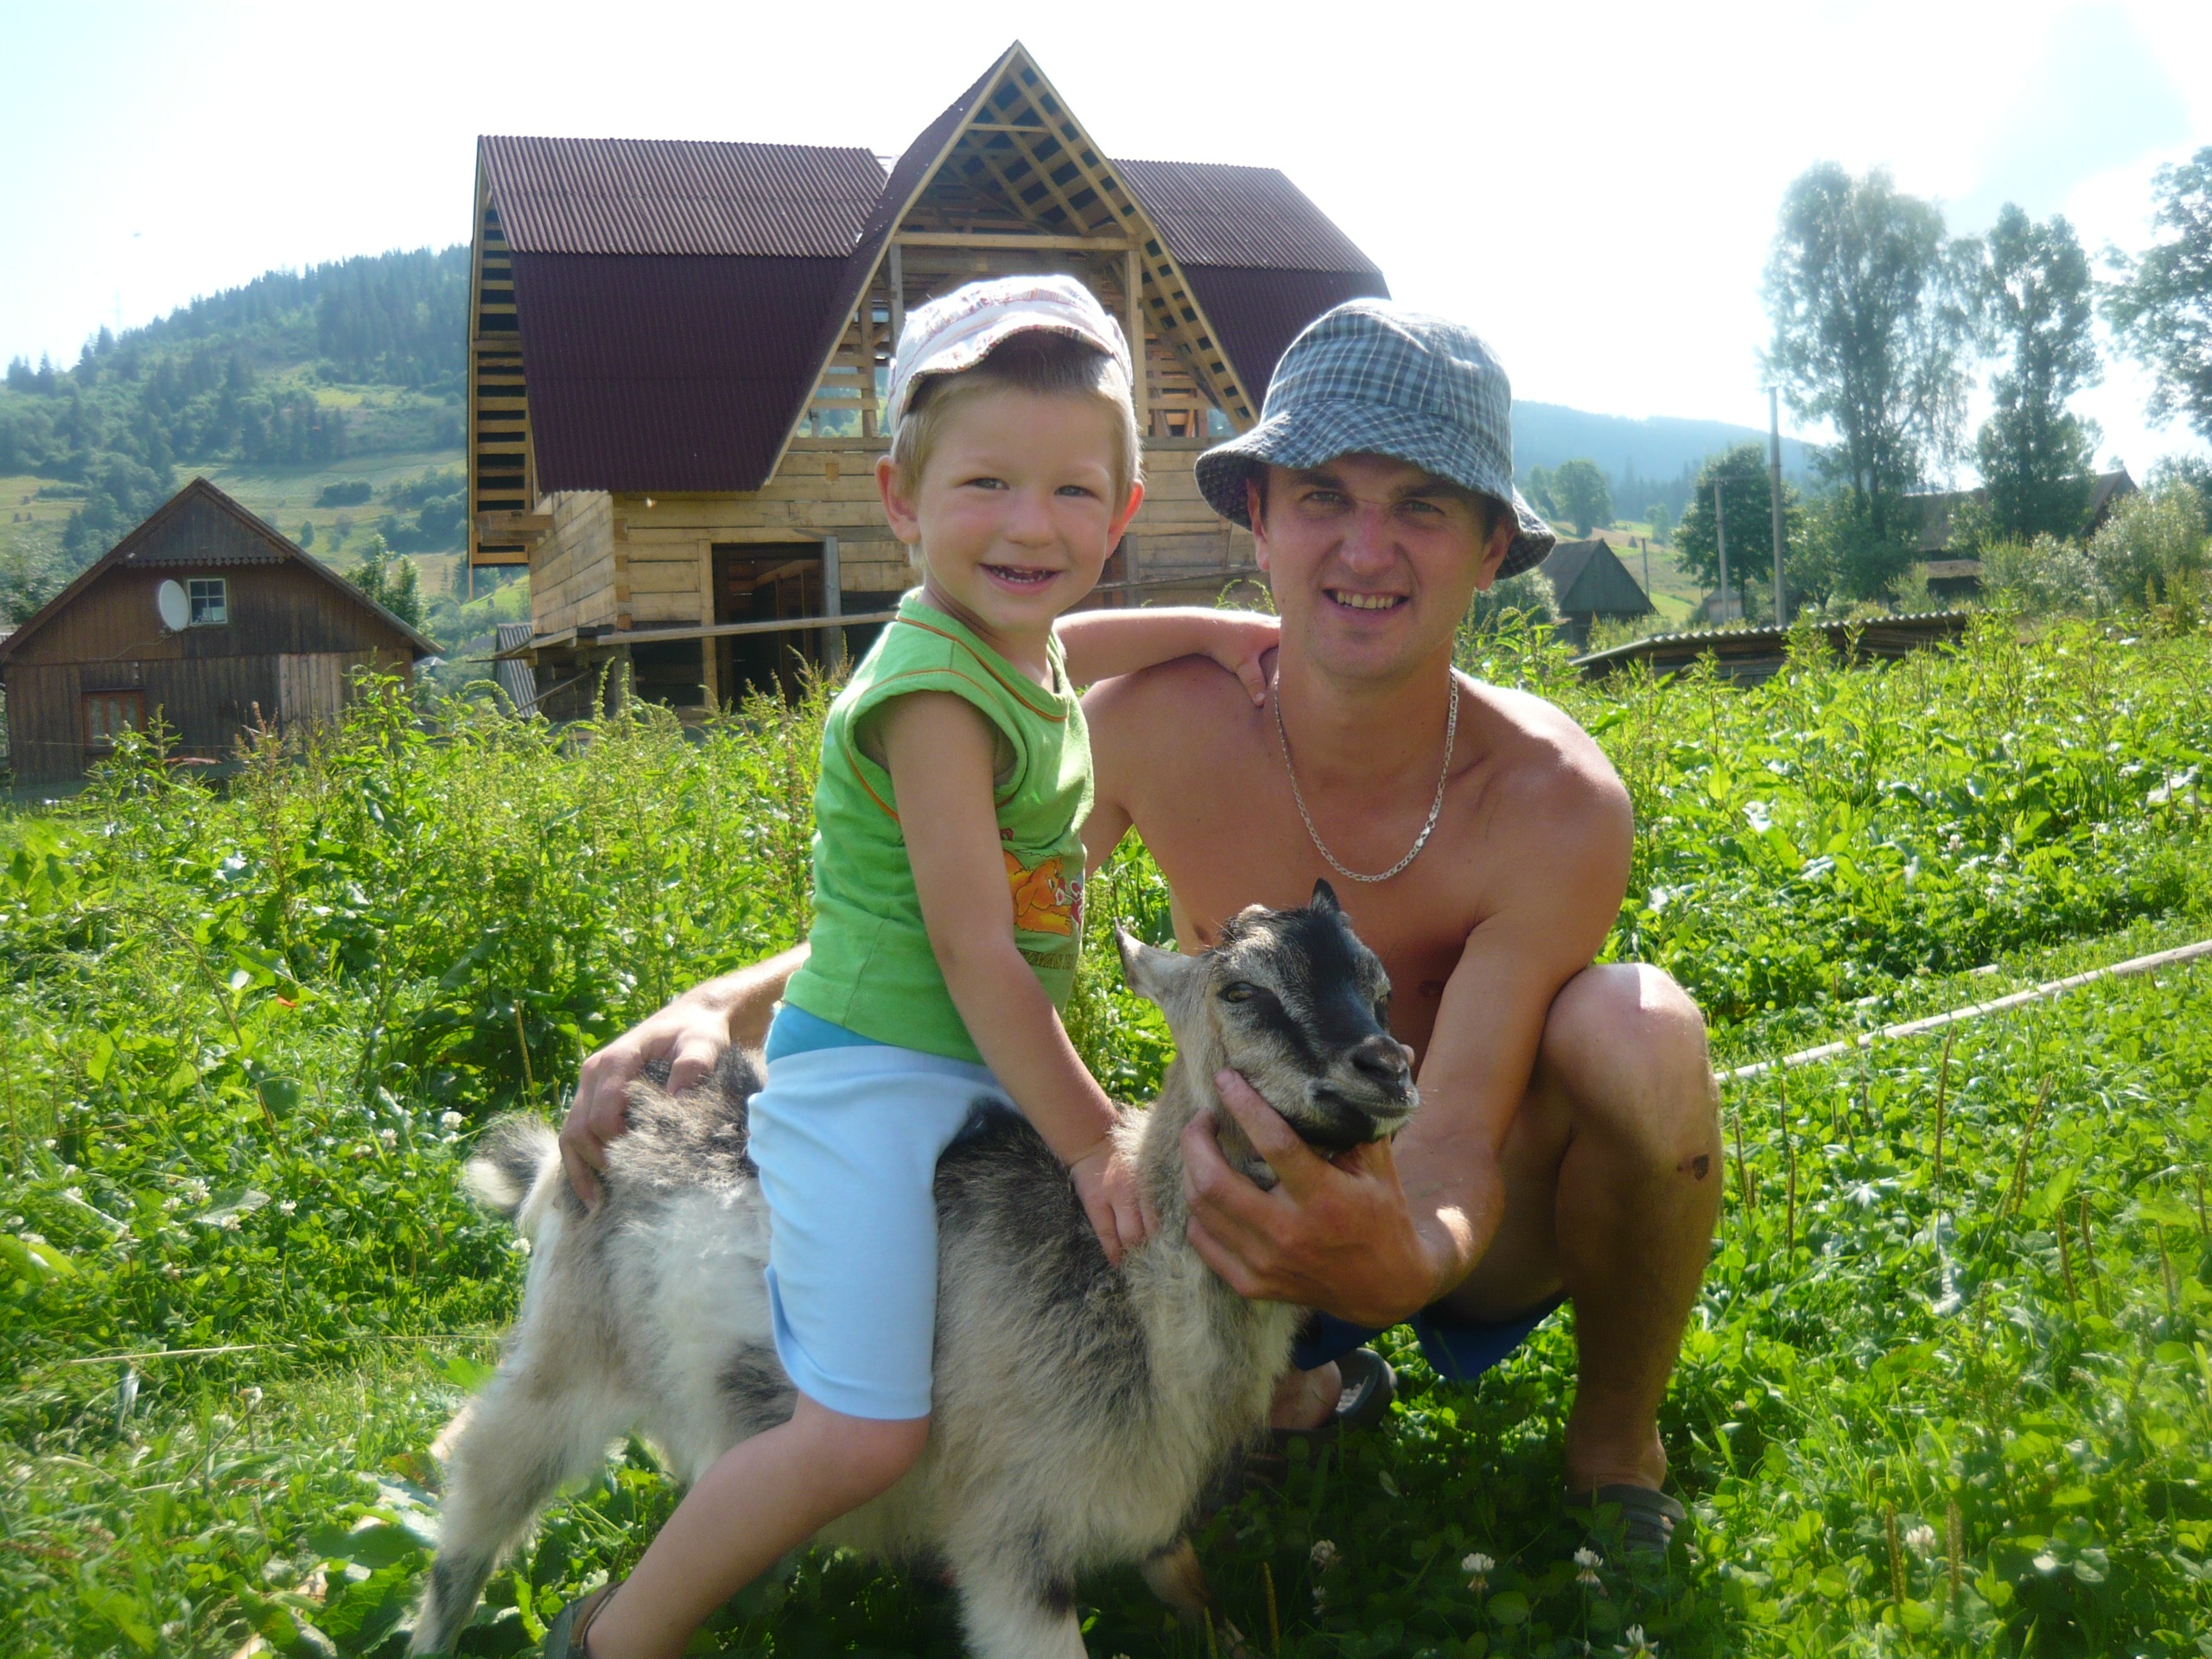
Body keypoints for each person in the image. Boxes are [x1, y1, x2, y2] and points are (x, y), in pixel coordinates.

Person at [562, 299, 1722, 1567]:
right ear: (1258, 518)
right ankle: (1274, 1390)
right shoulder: (1149, 726)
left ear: (1493, 546)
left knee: (1641, 1029)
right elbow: (955, 922)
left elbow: (1450, 1141)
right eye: (1323, 496)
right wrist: (717, 1005)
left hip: (1455, 1221)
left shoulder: (1551, 800)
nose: (1366, 548)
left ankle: (1616, 1449)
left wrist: (1403, 1258)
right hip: (1224, 1215)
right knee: (1016, 1180)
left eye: (1423, 507)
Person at [543, 276, 1279, 1659]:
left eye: (1072, 492)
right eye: (986, 482)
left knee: (1033, 1319)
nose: (1030, 524)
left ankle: (1059, 1506)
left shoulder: (1014, 647)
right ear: (902, 499)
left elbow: (1072, 646)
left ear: (1122, 514)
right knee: (862, 1432)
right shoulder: (931, 690)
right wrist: (1090, 1142)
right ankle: (617, 1637)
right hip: (873, 1089)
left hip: (965, 1068)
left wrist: (1210, 631)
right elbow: (973, 950)